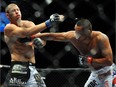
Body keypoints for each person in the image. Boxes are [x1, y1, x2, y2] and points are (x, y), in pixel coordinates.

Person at [32, 19, 116, 87]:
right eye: (75, 31)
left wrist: (90, 60)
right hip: (95, 74)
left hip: (109, 72)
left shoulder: (101, 38)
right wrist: (34, 36)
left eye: (79, 33)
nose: (76, 35)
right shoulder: (73, 36)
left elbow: (109, 61)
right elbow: (53, 36)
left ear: (88, 31)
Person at [3, 3, 63, 87]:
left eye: (18, 10)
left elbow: (42, 38)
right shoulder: (8, 28)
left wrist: (40, 43)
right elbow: (25, 33)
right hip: (18, 67)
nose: (17, 12)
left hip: (32, 68)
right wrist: (48, 22)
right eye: (13, 11)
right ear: (8, 15)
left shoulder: (29, 24)